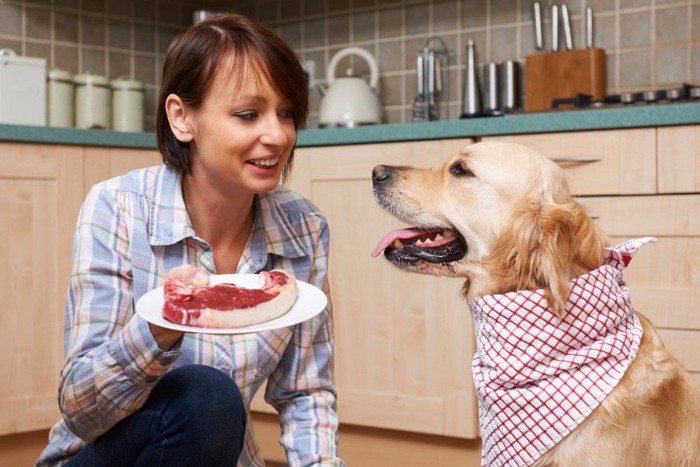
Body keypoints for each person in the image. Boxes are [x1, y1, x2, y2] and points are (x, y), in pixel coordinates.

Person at [37, 14, 342, 467]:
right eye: (247, 115)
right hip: (99, 455)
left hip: (214, 454)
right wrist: (158, 332)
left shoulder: (304, 227)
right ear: (182, 118)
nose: (278, 135)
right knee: (207, 397)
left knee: (213, 407)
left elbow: (306, 392)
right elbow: (81, 410)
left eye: (287, 113)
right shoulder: (117, 208)